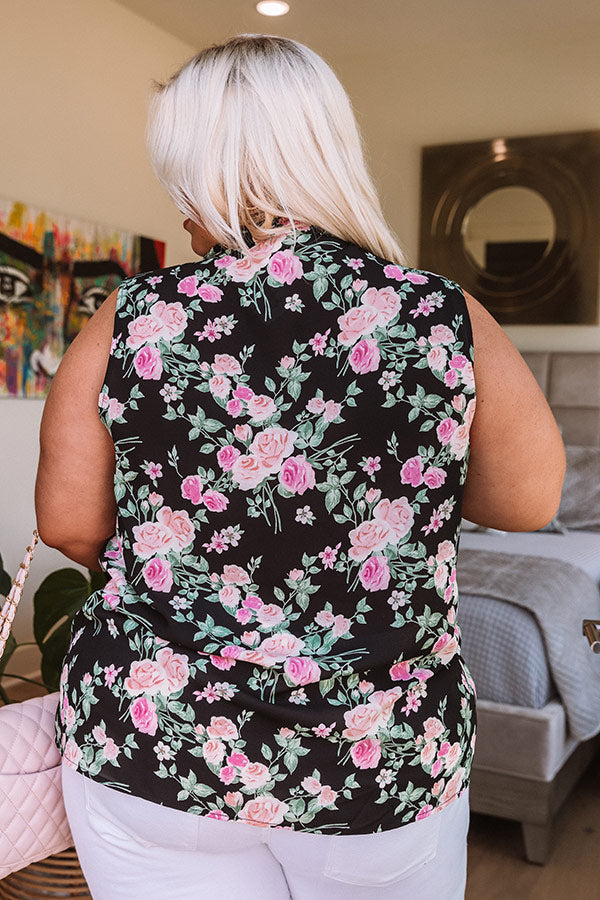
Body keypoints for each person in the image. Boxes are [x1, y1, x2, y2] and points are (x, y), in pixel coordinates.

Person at [35, 33, 566, 900]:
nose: (179, 205)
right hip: (376, 765)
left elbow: (67, 522)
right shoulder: (441, 315)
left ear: (211, 172)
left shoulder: (129, 316)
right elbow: (530, 500)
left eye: (181, 177)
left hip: (154, 745)